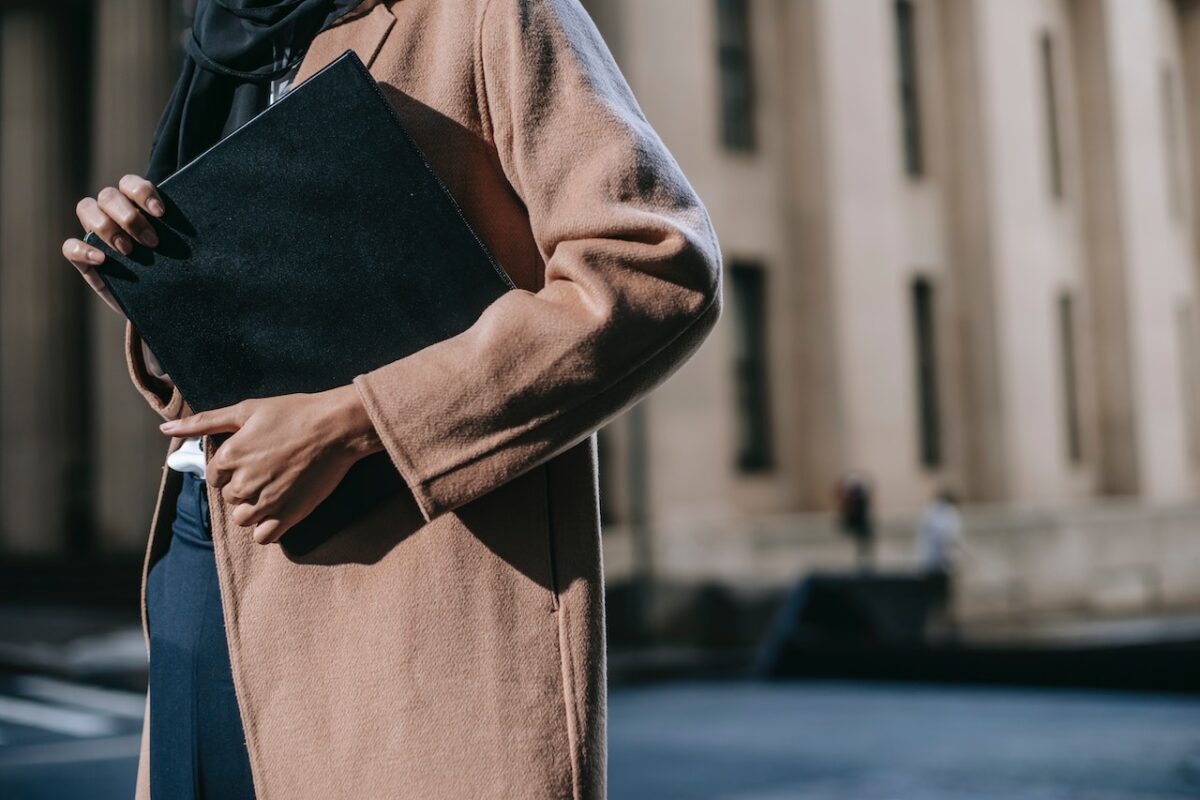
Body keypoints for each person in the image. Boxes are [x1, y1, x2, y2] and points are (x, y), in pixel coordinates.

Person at [60, 1, 723, 798]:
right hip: (210, 553)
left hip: (415, 588)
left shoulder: (488, 11)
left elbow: (653, 266)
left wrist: (359, 420)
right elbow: (291, 314)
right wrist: (155, 272)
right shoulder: (222, 41)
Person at [914, 488, 967, 636]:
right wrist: (954, 561)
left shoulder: (928, 513)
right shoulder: (949, 514)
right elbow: (949, 539)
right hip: (941, 565)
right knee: (944, 598)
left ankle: (932, 627)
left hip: (927, 563)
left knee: (931, 598)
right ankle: (948, 628)